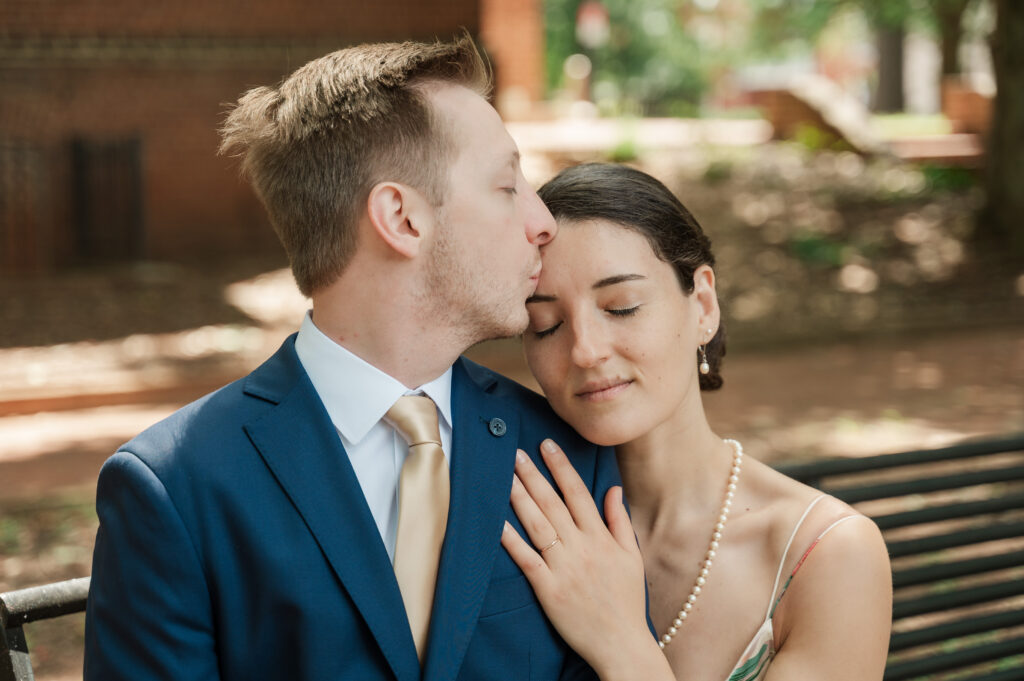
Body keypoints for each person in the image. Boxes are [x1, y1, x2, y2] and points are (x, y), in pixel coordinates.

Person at [84, 38, 622, 681]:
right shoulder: (177, 487)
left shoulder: (563, 453)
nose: (542, 222)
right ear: (402, 218)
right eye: (508, 185)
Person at [500, 163, 893, 681]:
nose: (586, 351)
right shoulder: (522, 514)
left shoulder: (827, 555)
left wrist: (620, 643)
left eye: (621, 307)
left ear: (703, 305)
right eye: (546, 325)